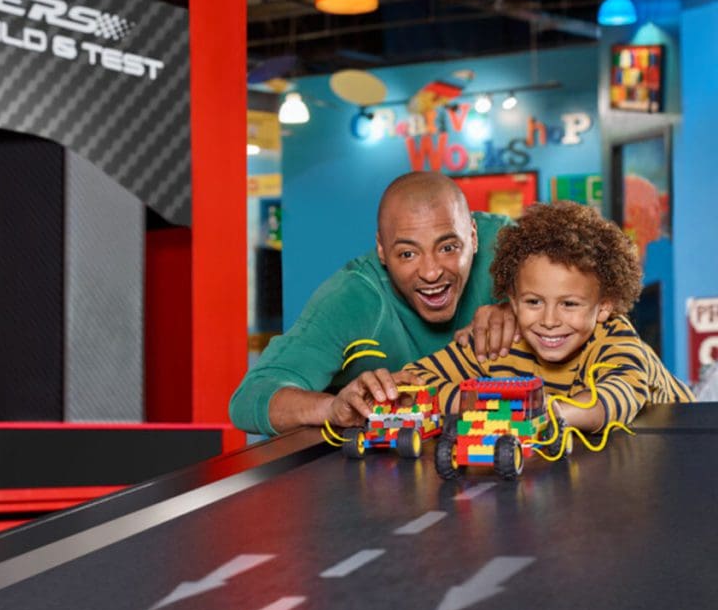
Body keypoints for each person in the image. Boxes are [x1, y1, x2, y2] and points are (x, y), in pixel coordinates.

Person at [228, 171, 515, 436]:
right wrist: (330, 408)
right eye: (407, 254)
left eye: (448, 248)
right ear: (381, 250)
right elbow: (250, 397)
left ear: (474, 237)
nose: (431, 272)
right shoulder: (352, 297)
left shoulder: (506, 248)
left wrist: (521, 308)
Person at [398, 201, 692, 429]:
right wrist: (492, 404)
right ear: (512, 300)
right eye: (534, 302)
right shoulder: (499, 341)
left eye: (570, 305)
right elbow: (416, 382)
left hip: (691, 431)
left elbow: (616, 397)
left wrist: (539, 412)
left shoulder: (615, 339)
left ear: (604, 306)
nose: (549, 321)